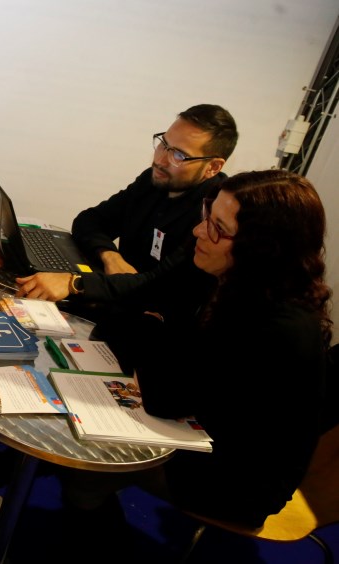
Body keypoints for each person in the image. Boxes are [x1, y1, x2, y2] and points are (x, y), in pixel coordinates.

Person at [56, 169, 332, 554]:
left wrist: (152, 330)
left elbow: (165, 395)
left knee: (82, 460)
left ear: (261, 246)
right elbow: (161, 329)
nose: (199, 232)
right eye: (207, 216)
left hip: (235, 483)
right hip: (211, 432)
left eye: (218, 227)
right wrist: (152, 328)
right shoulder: (239, 276)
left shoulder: (275, 322)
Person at [15, 104, 238, 319]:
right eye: (163, 144)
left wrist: (73, 283)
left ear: (213, 167)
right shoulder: (153, 181)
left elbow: (158, 284)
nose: (160, 160)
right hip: (116, 301)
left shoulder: (214, 213)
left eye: (178, 156)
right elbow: (89, 220)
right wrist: (110, 256)